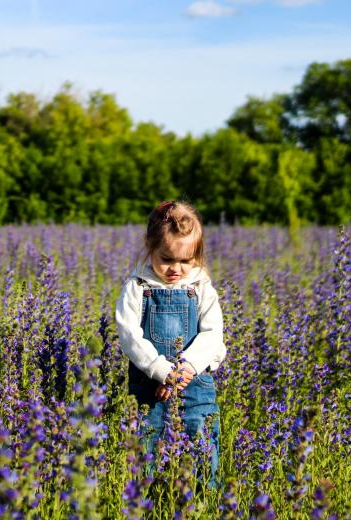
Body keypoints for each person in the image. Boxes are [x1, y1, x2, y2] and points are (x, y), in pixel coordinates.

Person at [115, 200, 226, 488]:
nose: (176, 269)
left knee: (201, 448)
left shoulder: (201, 287)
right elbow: (129, 335)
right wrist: (162, 370)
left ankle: (204, 502)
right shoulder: (138, 287)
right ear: (149, 246)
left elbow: (213, 334)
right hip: (151, 389)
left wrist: (186, 367)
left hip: (195, 384)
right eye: (166, 259)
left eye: (186, 261)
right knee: (147, 453)